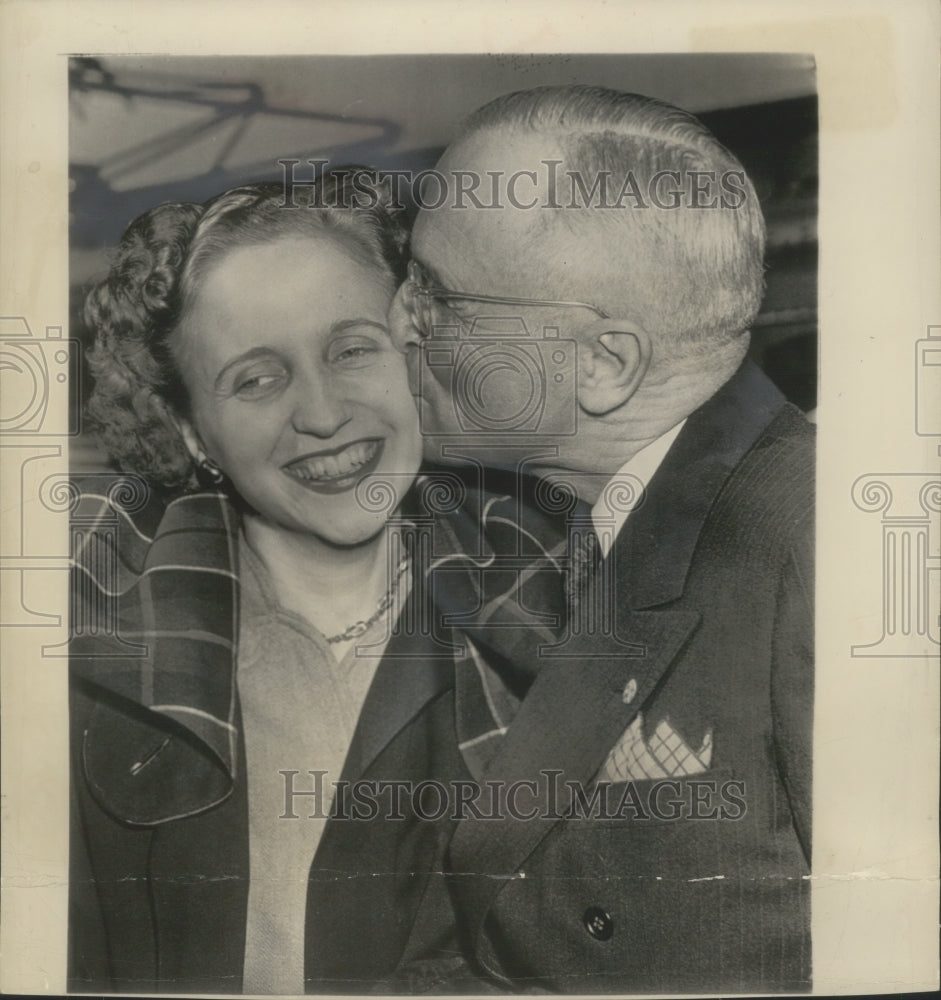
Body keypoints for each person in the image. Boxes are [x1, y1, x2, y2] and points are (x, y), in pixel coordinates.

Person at [389, 86, 814, 993]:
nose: (394, 323)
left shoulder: (818, 544)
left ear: (601, 366)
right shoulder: (585, 523)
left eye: (439, 297)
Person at [69, 173, 471, 994]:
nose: (321, 414)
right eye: (255, 378)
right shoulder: (94, 661)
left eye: (353, 348)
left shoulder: (546, 621)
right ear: (188, 428)